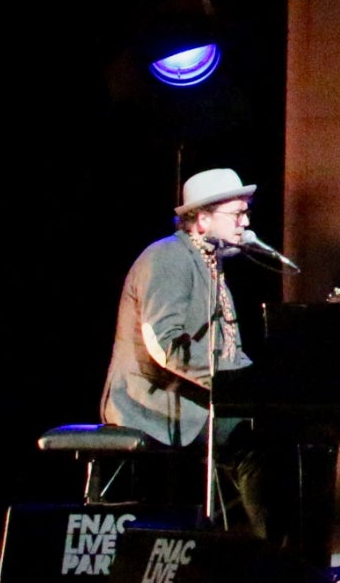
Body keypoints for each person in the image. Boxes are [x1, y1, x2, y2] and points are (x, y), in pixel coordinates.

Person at [101, 167, 269, 535]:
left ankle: (291, 557)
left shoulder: (210, 264)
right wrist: (234, 388)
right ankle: (271, 558)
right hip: (152, 399)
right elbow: (165, 345)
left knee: (279, 428)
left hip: (193, 394)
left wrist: (262, 384)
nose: (245, 222)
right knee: (258, 442)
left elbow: (228, 349)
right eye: (236, 214)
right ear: (202, 219)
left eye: (246, 213)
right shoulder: (168, 258)